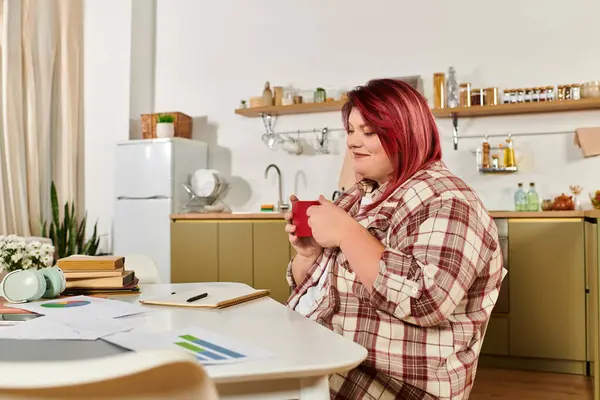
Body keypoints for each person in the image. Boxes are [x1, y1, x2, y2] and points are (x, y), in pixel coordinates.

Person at [284, 78, 505, 400]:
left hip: (389, 382)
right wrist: (308, 256)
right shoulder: (358, 197)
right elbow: (316, 288)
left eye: (369, 132)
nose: (353, 142)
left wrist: (347, 233)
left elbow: (427, 301)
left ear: (407, 133)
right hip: (333, 359)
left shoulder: (448, 200)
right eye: (350, 130)